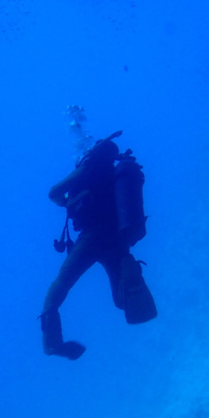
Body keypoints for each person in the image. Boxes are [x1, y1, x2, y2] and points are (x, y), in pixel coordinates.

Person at [40, 132, 157, 360]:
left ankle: (52, 343)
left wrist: (65, 202)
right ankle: (129, 269)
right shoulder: (119, 175)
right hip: (117, 239)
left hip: (91, 237)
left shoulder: (87, 169)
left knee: (61, 284)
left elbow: (53, 193)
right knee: (121, 302)